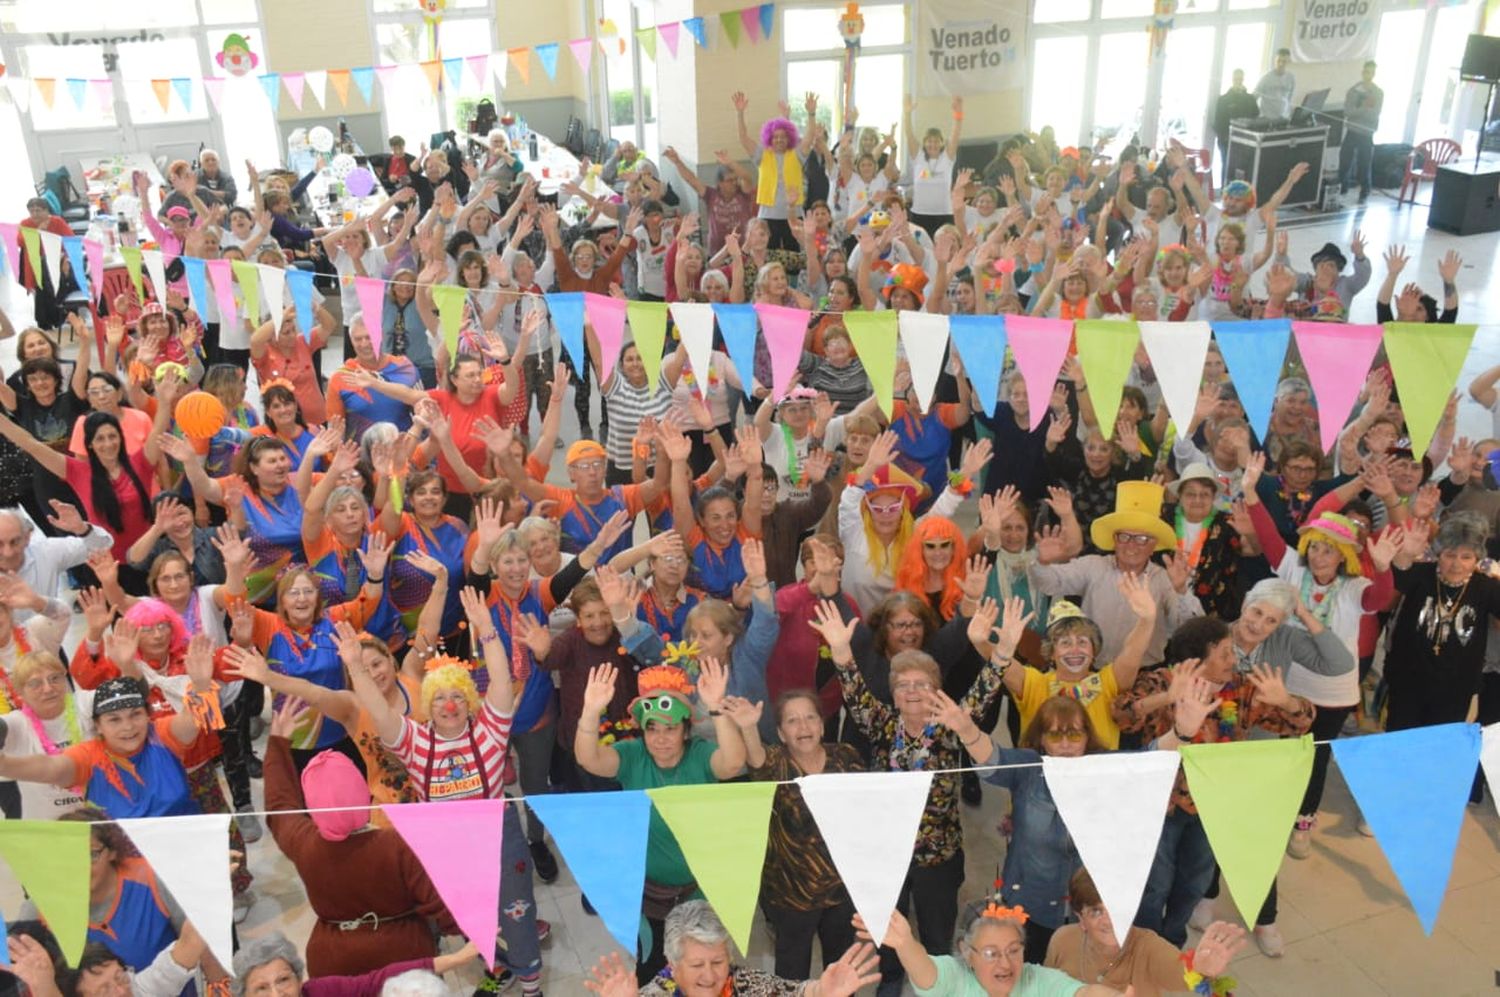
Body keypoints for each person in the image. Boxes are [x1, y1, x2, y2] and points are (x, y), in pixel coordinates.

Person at [349, 589, 544, 996]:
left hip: (499, 840)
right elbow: (381, 712)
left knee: (517, 914)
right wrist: (356, 668)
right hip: (447, 845)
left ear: (471, 700)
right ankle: (498, 967)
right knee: (465, 915)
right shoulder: (414, 741)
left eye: (457, 696)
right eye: (439, 698)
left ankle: (530, 983)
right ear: (427, 705)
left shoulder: (491, 730)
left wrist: (488, 631)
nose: (449, 704)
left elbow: (503, 682)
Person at [811, 604, 1005, 994]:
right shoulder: (881, 723)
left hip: (939, 856)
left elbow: (985, 691)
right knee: (886, 935)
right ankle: (891, 985)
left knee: (935, 940)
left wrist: (1000, 651)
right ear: (894, 695)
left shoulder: (951, 725)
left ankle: (935, 987)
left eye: (922, 684)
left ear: (936, 691)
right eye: (904, 685)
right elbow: (855, 692)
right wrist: (840, 651)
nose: (913, 691)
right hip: (888, 856)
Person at [1113, 615, 1315, 950]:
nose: (1233, 660)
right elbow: (1120, 713)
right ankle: (1144, 946)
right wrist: (1166, 699)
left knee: (1194, 883)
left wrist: (1286, 701)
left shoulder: (1244, 690)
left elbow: (1301, 723)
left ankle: (1172, 940)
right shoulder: (1162, 681)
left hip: (1213, 808)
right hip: (1160, 807)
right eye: (1224, 653)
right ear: (1197, 657)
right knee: (1154, 886)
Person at [573, 659, 748, 983]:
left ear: (686, 731)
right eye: (652, 728)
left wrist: (717, 709)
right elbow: (588, 759)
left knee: (703, 972)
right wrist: (590, 710)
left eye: (671, 729)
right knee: (653, 970)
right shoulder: (633, 756)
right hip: (650, 895)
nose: (661, 738)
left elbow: (734, 762)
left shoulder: (700, 755)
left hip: (700, 891)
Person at [258, 697, 457, 977]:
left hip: (333, 963)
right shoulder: (395, 845)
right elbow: (439, 904)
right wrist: (475, 935)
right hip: (404, 958)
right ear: (363, 794)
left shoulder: (305, 844)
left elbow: (279, 808)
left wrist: (278, 744)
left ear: (313, 808)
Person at [738, 689, 865, 979]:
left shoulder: (847, 757)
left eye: (810, 718)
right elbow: (756, 760)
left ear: (822, 725)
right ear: (781, 733)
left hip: (841, 890)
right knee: (791, 975)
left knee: (843, 968)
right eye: (792, 721)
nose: (804, 727)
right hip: (790, 895)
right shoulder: (776, 763)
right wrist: (748, 727)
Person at [1032, 481, 1201, 666]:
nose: (1132, 544)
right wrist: (1043, 562)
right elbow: (1049, 583)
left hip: (1144, 676)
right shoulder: (1093, 566)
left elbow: (1188, 630)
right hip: (1092, 672)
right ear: (1114, 540)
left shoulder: (1164, 579)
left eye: (1142, 539)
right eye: (1124, 536)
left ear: (1154, 545)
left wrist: (1181, 590)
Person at [585, 900, 881, 997]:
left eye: (718, 961)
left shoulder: (744, 984)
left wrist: (821, 992)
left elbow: (792, 992)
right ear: (672, 965)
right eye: (697, 965)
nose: (710, 976)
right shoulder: (655, 994)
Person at [1045, 869, 1246, 997]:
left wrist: (1200, 969)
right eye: (1096, 911)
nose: (1109, 920)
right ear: (1081, 918)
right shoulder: (1063, 940)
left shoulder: (1148, 946)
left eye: (1115, 907)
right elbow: (1045, 987)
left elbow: (1178, 972)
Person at [860, 903, 1125, 997]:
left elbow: (1082, 992)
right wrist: (906, 943)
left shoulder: (1038, 980)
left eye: (1013, 951)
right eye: (991, 953)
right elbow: (928, 975)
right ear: (967, 953)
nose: (1005, 964)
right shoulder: (958, 977)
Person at [0, 651, 95, 819]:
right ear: (20, 691)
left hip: (100, 824)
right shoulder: (16, 724)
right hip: (47, 830)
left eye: (55, 678)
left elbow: (132, 697)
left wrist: (127, 665)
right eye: (35, 684)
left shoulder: (85, 703)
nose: (48, 688)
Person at [1340, 61, 1383, 203]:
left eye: (1371, 72)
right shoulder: (1353, 91)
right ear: (1362, 72)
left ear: (1374, 74)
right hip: (1352, 130)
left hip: (1367, 132)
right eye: (1366, 72)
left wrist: (1359, 111)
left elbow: (1374, 114)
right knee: (1345, 160)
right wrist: (1364, 108)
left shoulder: (1378, 93)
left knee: (1364, 164)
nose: (1368, 75)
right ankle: (1342, 186)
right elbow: (1348, 112)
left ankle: (1365, 191)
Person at [1212, 69, 1260, 183]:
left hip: (1245, 141)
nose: (1238, 82)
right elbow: (1218, 122)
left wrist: (1245, 96)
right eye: (1236, 79)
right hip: (1226, 140)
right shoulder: (1223, 100)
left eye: (1240, 79)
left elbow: (1255, 115)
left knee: (1243, 170)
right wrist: (1224, 137)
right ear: (1232, 80)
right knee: (1227, 167)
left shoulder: (1249, 98)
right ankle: (1225, 191)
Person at [1254, 48, 1296, 120]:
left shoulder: (1291, 78)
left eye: (1284, 61)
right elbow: (1255, 96)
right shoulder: (1266, 78)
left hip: (1283, 118)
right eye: (1278, 61)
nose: (1281, 64)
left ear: (1288, 62)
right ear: (1274, 60)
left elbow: (1290, 98)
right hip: (1266, 117)